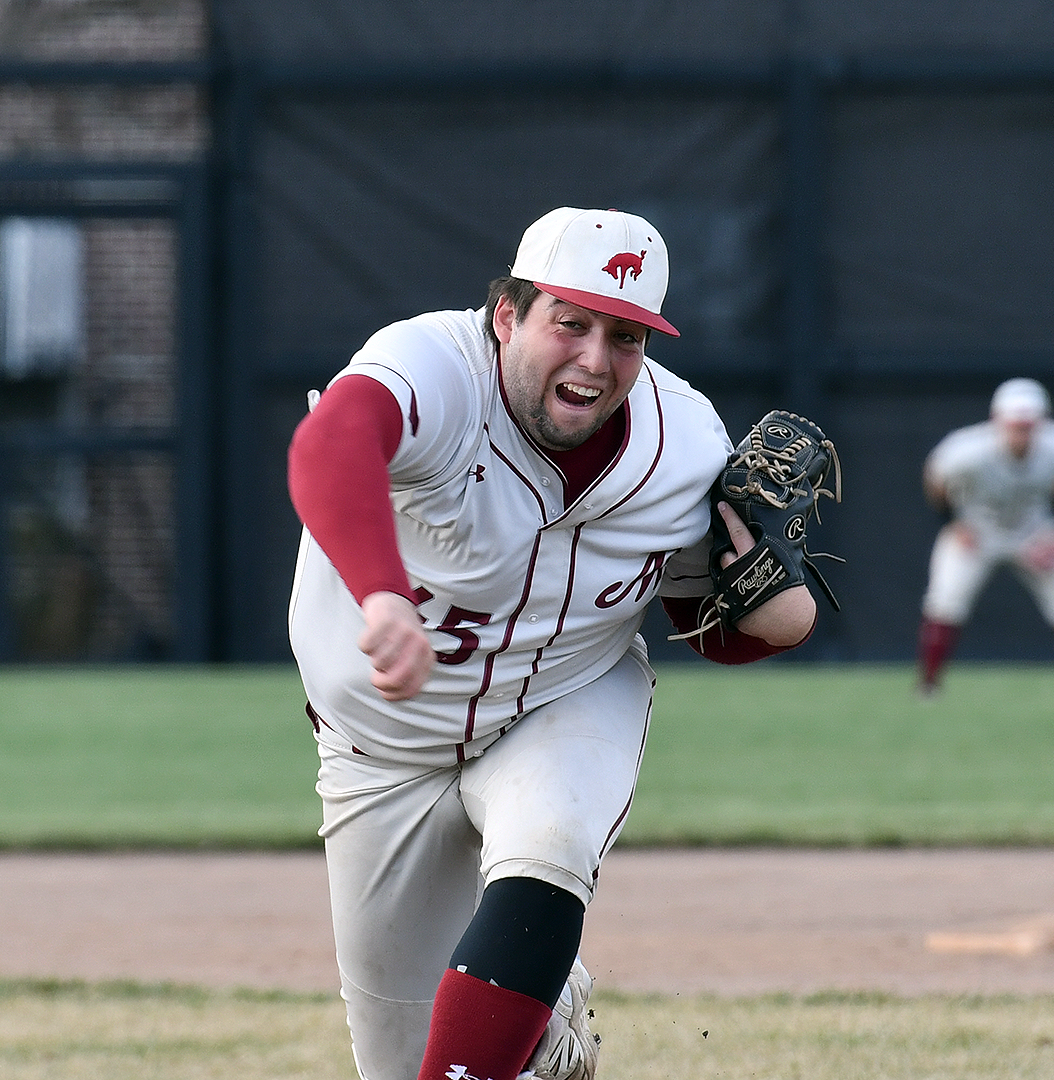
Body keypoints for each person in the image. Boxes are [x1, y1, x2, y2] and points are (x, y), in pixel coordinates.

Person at [287, 207, 820, 1080]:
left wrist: (768, 624)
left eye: (626, 336)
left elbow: (702, 620)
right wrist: (381, 591)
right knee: (397, 1062)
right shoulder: (436, 366)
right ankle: (543, 1006)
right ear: (508, 315)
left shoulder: (683, 443)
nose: (595, 359)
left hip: (562, 698)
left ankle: (523, 991)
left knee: (554, 838)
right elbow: (331, 444)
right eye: (569, 323)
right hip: (378, 748)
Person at [916, 377, 1054, 695]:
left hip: (1033, 530)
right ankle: (929, 685)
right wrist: (952, 523)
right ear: (997, 422)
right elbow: (934, 478)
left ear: (1042, 423)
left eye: (1028, 426)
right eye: (1015, 426)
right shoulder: (966, 450)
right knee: (945, 601)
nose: (1022, 434)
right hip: (978, 530)